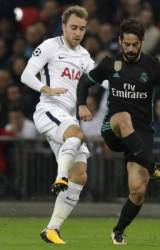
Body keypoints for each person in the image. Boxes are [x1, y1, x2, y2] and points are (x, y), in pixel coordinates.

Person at [77, 19, 160, 245]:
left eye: (134, 44)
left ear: (141, 43)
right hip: (113, 128)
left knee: (137, 190)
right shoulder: (109, 64)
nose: (129, 49)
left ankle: (118, 230)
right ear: (120, 42)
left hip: (141, 133)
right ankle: (155, 166)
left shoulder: (153, 66)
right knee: (123, 117)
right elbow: (84, 83)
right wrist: (82, 104)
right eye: (126, 44)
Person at [21, 6, 94, 244]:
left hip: (68, 118)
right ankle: (59, 176)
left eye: (82, 29)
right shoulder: (50, 46)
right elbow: (26, 75)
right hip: (49, 110)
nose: (78, 32)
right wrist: (46, 89)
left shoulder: (84, 56)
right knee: (76, 135)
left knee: (80, 175)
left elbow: (102, 80)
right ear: (63, 27)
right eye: (73, 27)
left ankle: (51, 229)